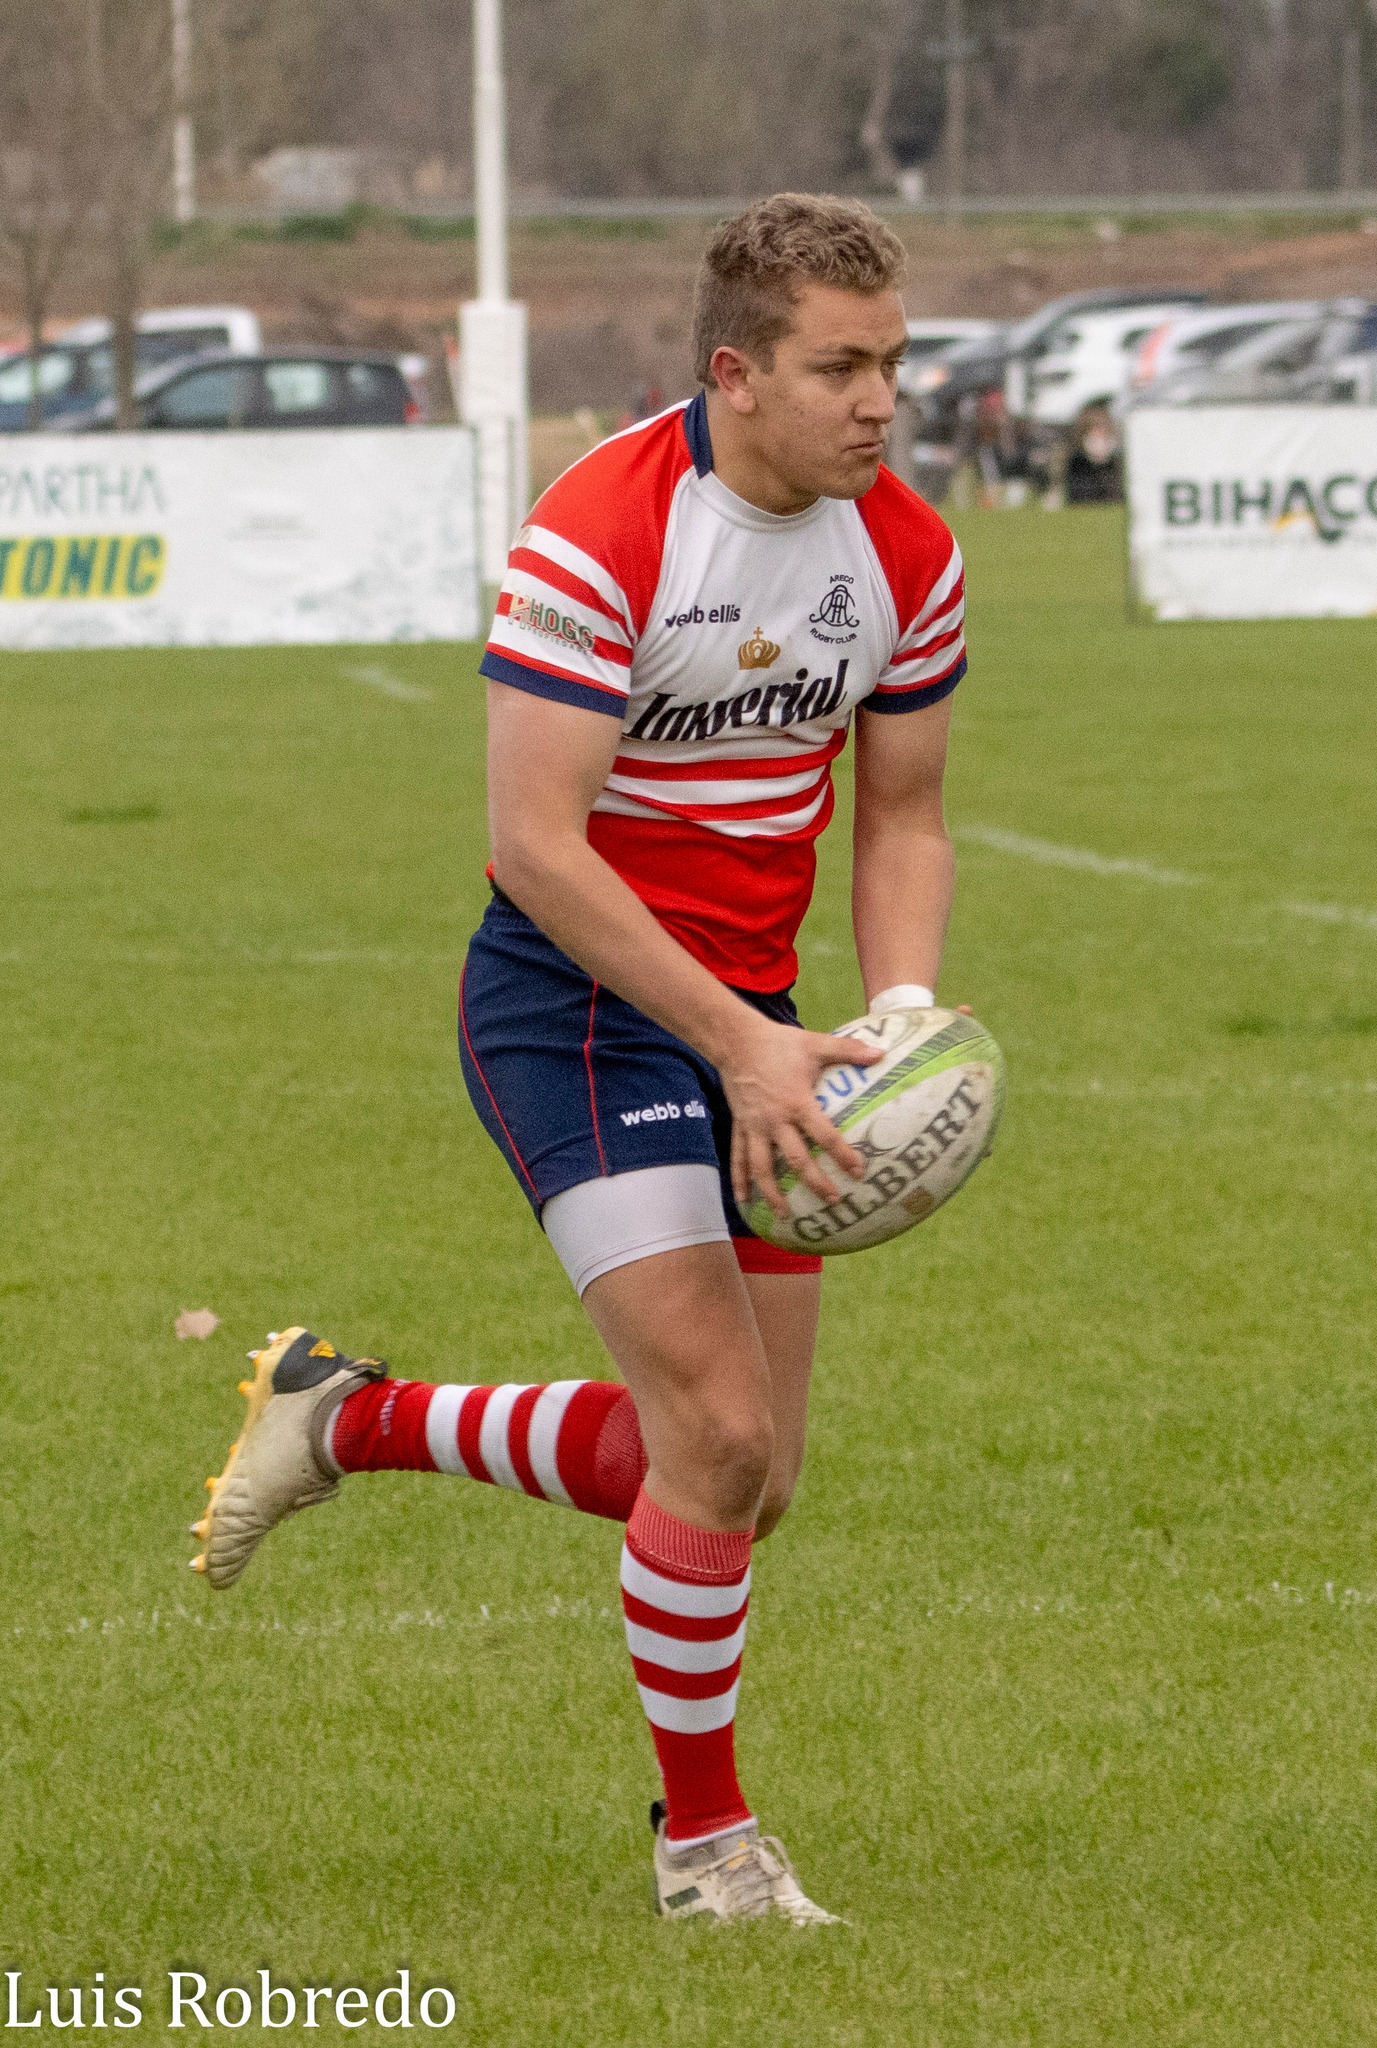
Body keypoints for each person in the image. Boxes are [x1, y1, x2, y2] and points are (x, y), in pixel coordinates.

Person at [188, 192, 967, 1926]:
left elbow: (904, 814)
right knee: (711, 1426)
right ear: (735, 372)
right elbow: (538, 845)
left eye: (893, 365)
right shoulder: (605, 530)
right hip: (578, 1008)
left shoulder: (903, 548)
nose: (879, 402)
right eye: (841, 368)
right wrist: (742, 1049)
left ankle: (352, 1419)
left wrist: (898, 1017)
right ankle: (709, 1858)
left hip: (763, 1022)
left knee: (746, 1481)